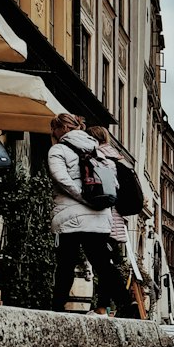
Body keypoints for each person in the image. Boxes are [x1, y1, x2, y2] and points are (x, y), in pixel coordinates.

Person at [47, 114, 137, 316]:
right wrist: (96, 202)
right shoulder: (98, 151)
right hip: (98, 217)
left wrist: (82, 198)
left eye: (54, 128)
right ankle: (127, 304)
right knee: (103, 264)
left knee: (66, 263)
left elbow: (60, 178)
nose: (52, 133)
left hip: (69, 216)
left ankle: (57, 308)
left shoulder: (58, 149)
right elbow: (113, 184)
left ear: (61, 129)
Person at [86, 126, 133, 315]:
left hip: (103, 216)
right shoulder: (119, 159)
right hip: (116, 218)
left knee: (103, 265)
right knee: (106, 264)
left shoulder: (99, 158)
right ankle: (102, 307)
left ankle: (124, 302)